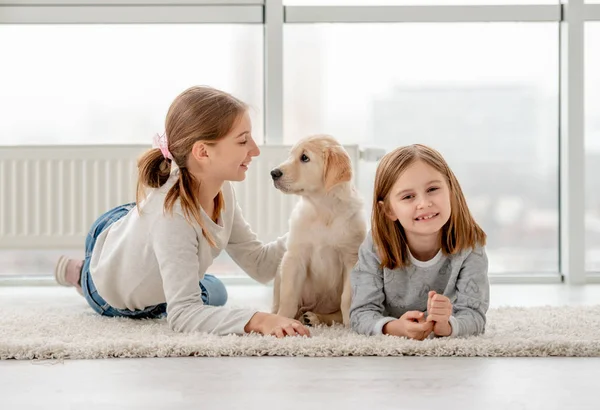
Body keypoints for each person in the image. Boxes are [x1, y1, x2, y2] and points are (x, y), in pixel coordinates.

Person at [54, 85, 310, 338]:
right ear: (202, 152)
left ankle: (142, 237)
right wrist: (260, 320)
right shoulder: (173, 218)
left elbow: (261, 265)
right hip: (107, 279)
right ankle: (80, 273)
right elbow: (183, 315)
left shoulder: (222, 191)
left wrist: (308, 229)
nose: (255, 150)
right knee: (207, 298)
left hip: (134, 225)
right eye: (243, 140)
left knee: (217, 292)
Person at [350, 144, 489, 340]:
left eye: (432, 189)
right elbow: (360, 314)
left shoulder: (470, 246)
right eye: (408, 196)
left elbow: (474, 316)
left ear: (451, 190)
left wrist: (445, 326)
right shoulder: (375, 245)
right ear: (389, 210)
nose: (424, 203)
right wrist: (395, 327)